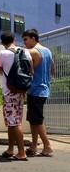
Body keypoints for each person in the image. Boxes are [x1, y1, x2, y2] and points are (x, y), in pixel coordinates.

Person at [0, 32, 32, 160]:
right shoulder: (25, 52)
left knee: (15, 123)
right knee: (12, 122)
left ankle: (21, 152)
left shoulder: (3, 54)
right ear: (14, 39)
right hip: (21, 91)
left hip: (9, 92)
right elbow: (31, 71)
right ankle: (10, 149)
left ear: (2, 42)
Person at [22, 29, 54, 157]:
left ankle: (47, 146)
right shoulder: (48, 51)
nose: (24, 42)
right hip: (44, 88)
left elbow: (27, 67)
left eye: (26, 39)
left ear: (33, 38)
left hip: (36, 89)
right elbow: (53, 68)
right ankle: (33, 146)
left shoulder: (33, 52)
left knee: (37, 120)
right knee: (33, 119)